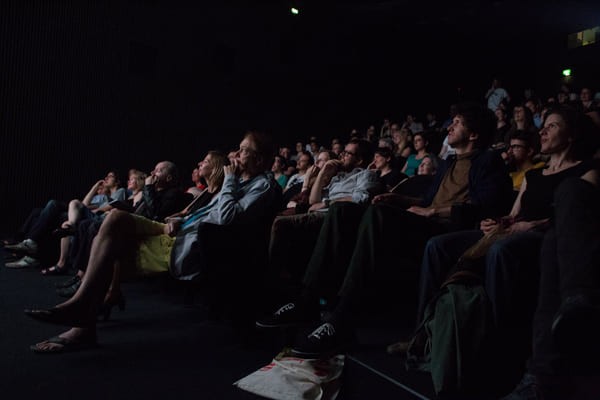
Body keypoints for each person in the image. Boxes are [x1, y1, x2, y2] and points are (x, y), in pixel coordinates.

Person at [257, 102, 513, 358]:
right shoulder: (448, 163)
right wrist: (398, 199)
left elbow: (484, 206)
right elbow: (426, 201)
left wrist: (433, 212)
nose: (450, 127)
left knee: (377, 214)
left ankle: (342, 318)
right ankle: (308, 299)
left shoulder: (488, 161)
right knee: (341, 210)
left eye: (457, 123)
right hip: (425, 219)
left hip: (446, 227)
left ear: (474, 134)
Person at [24, 132, 279, 353]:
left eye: (244, 150)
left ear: (259, 160)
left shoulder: (262, 186)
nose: (236, 154)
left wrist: (229, 180)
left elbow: (225, 219)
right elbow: (207, 213)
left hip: (193, 243)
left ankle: (82, 322)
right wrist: (181, 218)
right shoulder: (239, 181)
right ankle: (83, 308)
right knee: (114, 218)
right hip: (181, 229)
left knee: (111, 242)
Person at [501, 176, 600, 400]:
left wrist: (534, 224)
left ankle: (541, 378)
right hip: (557, 231)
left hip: (559, 227)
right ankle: (578, 302)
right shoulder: (535, 175)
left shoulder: (587, 171)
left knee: (570, 190)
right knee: (552, 241)